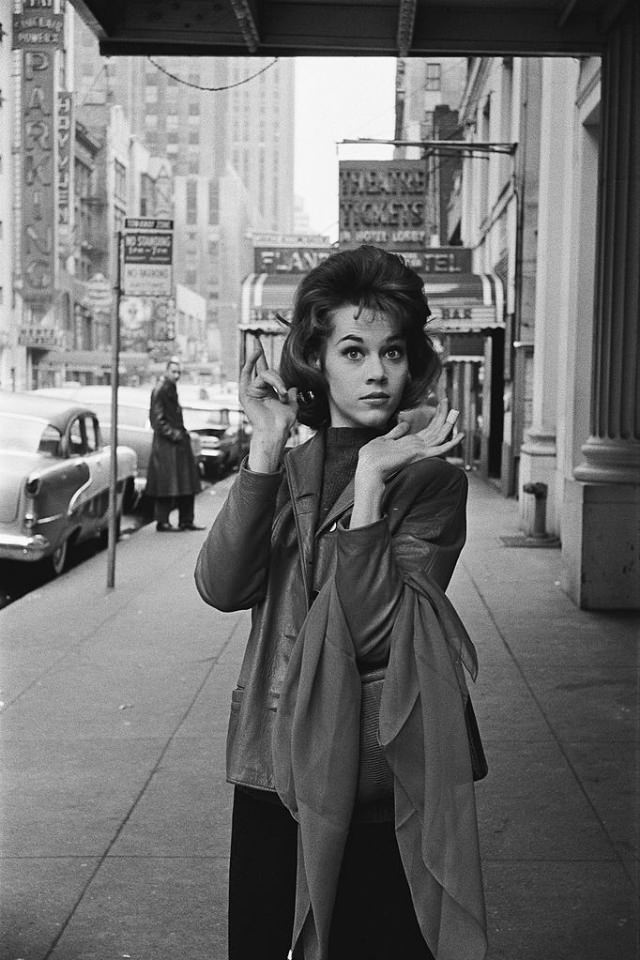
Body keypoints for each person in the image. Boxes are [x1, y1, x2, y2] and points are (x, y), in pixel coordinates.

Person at [195, 246, 487, 960]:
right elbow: (223, 587)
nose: (377, 370)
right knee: (262, 944)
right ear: (317, 360)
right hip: (271, 753)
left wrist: (370, 487)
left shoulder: (430, 484)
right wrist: (264, 448)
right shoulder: (289, 465)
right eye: (353, 350)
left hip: (371, 767)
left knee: (366, 943)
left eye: (391, 350)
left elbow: (370, 631)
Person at [146, 357, 203, 532]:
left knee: (184, 484)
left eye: (179, 372)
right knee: (168, 485)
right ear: (166, 371)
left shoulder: (167, 388)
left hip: (174, 444)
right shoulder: (161, 389)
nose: (177, 375)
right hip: (168, 446)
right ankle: (164, 521)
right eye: (174, 372)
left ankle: (185, 520)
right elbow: (157, 420)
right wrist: (175, 435)